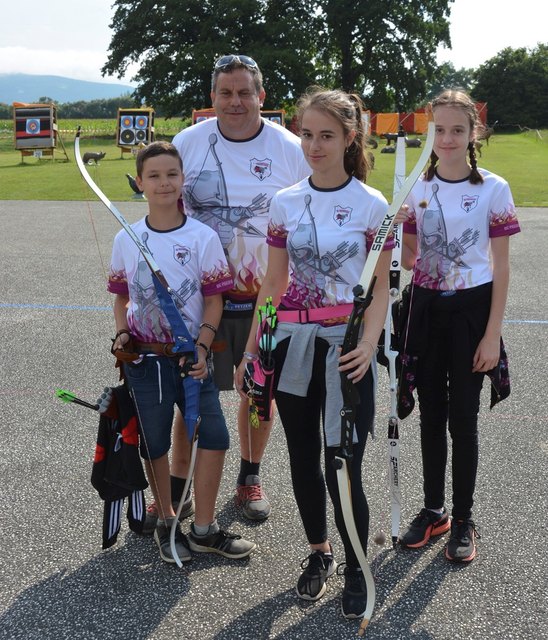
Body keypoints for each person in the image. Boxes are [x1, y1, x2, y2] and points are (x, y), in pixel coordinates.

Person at [235, 88, 391, 619]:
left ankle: (355, 566)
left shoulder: (373, 206)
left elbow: (379, 291)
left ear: (351, 138)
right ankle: (318, 553)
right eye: (306, 134)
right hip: (293, 346)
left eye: (327, 135)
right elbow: (274, 283)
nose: (314, 145)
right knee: (302, 457)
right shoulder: (286, 201)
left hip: (346, 350)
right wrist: (254, 350)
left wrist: (369, 344)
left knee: (342, 464)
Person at [168, 54, 310, 523]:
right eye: (225, 93)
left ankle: (249, 477)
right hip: (202, 298)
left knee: (258, 390)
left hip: (266, 297)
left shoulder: (290, 148)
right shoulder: (187, 144)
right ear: (212, 98)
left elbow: (308, 218)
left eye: (244, 92)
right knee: (192, 390)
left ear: (261, 97)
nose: (235, 101)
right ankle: (177, 484)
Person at [107, 141, 256, 563]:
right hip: (146, 360)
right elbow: (120, 297)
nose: (163, 183)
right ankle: (168, 521)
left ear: (182, 180)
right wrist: (121, 334)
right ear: (140, 183)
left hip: (193, 360)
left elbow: (214, 300)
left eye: (171, 174)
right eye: (153, 176)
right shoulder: (126, 237)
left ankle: (205, 528)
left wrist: (204, 347)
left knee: (215, 437)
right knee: (154, 440)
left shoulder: (202, 237)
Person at [396, 89, 520, 562]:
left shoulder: (493, 187)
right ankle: (434, 510)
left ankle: (464, 517)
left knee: (462, 422)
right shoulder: (416, 186)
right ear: (430, 131)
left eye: (457, 130)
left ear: (474, 134)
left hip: (472, 312)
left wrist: (491, 335)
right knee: (430, 417)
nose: (446, 139)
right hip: (426, 309)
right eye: (439, 129)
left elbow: (502, 268)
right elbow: (409, 261)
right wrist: (400, 224)